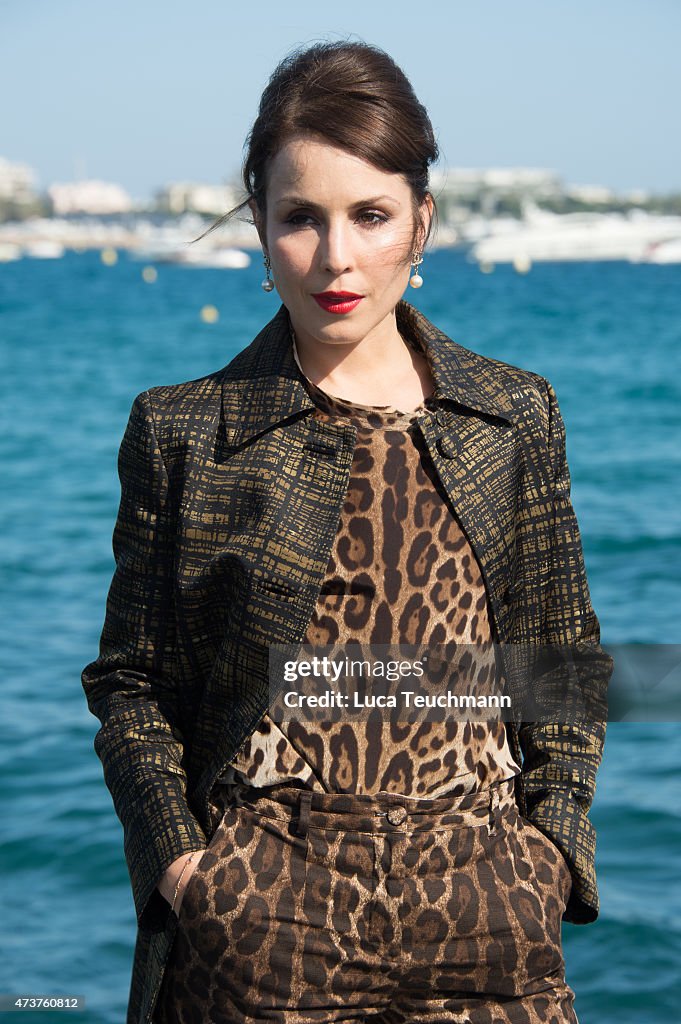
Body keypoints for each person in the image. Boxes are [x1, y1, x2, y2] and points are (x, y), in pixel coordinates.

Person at [82, 39, 613, 1024]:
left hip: (487, 910)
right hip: (266, 921)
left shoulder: (512, 415)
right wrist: (191, 873)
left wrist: (549, 852)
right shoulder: (185, 431)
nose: (337, 258)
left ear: (422, 222)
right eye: (301, 218)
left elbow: (562, 659)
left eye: (370, 215)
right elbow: (133, 683)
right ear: (261, 225)